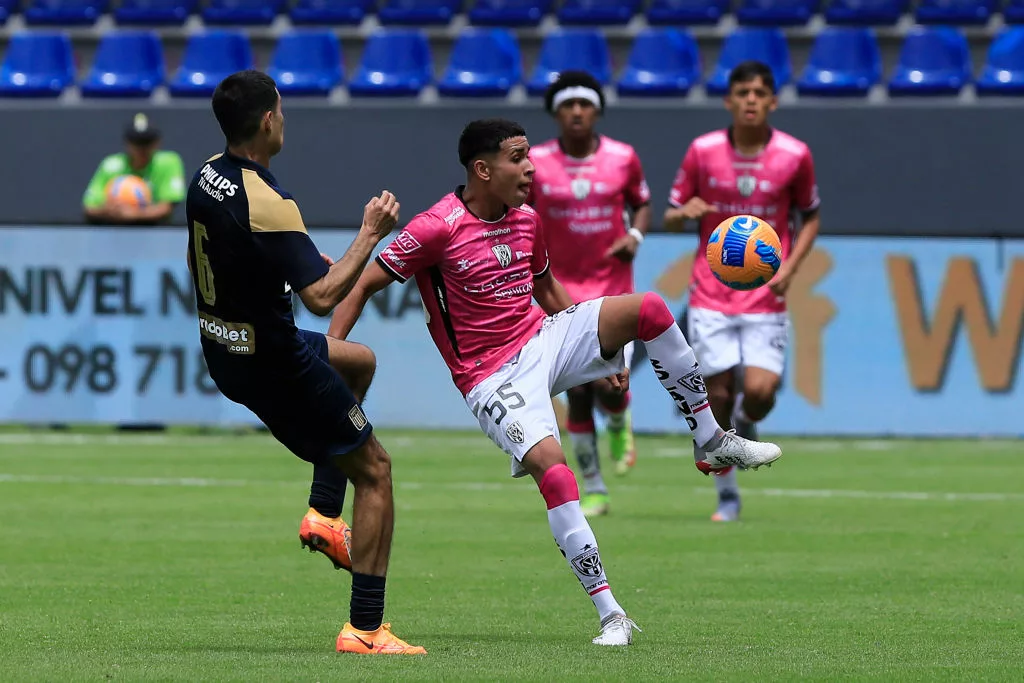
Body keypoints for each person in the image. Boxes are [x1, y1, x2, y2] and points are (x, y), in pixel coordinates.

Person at [328, 118, 783, 646]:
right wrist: (334, 357)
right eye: (517, 157)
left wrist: (603, 355)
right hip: (490, 377)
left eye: (528, 156)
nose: (530, 166)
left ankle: (710, 438)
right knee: (556, 473)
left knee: (651, 310)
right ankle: (612, 614)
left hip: (542, 339)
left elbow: (545, 287)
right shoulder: (436, 227)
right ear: (482, 168)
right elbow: (362, 284)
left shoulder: (526, 220)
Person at [185, 69, 424, 655]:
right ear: (269, 120)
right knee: (377, 471)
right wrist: (370, 235)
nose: (284, 119)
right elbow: (322, 297)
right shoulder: (269, 201)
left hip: (225, 347)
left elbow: (230, 253)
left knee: (357, 363)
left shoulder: (206, 176)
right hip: (274, 361)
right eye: (282, 111)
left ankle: (322, 516)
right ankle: (365, 630)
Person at [663, 61, 821, 523]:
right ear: (728, 100)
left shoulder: (794, 154)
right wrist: (684, 212)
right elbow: (671, 215)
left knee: (758, 393)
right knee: (716, 393)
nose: (751, 99)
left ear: (773, 101)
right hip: (710, 293)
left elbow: (810, 215)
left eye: (759, 92)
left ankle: (749, 423)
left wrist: (790, 268)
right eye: (742, 92)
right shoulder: (703, 151)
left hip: (766, 296)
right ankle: (727, 496)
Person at [527, 71, 653, 517]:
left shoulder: (623, 157)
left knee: (610, 389)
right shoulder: (535, 161)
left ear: (597, 110)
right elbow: (521, 214)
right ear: (555, 113)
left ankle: (620, 418)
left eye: (584, 104)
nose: (576, 112)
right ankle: (595, 488)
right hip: (560, 292)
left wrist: (635, 235)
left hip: (613, 291)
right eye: (567, 104)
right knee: (579, 392)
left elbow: (642, 201)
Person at [83, 113, 186, 225]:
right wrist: (107, 210)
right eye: (136, 143)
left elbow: (166, 207)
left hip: (155, 229)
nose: (141, 149)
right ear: (127, 143)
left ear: (157, 143)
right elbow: (89, 207)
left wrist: (134, 213)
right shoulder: (110, 165)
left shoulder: (169, 162)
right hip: (114, 228)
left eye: (146, 142)